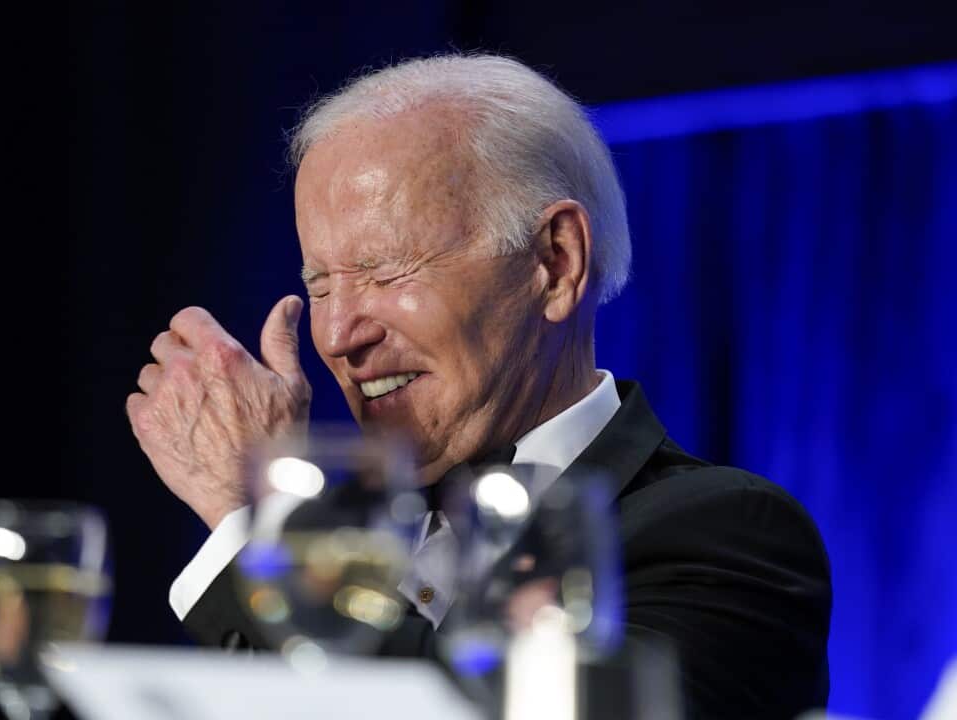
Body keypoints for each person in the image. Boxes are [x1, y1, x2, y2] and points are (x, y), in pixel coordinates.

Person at [125, 54, 831, 719]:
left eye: (383, 271)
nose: (339, 334)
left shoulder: (730, 537)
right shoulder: (362, 535)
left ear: (554, 263)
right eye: (320, 283)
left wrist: (267, 518)